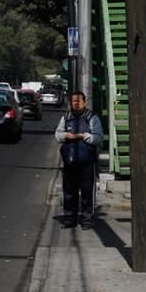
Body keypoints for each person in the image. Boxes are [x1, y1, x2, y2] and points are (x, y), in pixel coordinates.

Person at [53, 91, 104, 230]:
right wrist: (66, 135)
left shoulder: (92, 117)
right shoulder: (66, 117)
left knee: (87, 192)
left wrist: (83, 136)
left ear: (84, 102)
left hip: (87, 163)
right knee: (69, 192)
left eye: (78, 101)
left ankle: (87, 220)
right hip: (69, 162)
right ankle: (70, 219)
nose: (76, 104)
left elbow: (98, 137)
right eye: (73, 101)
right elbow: (57, 135)